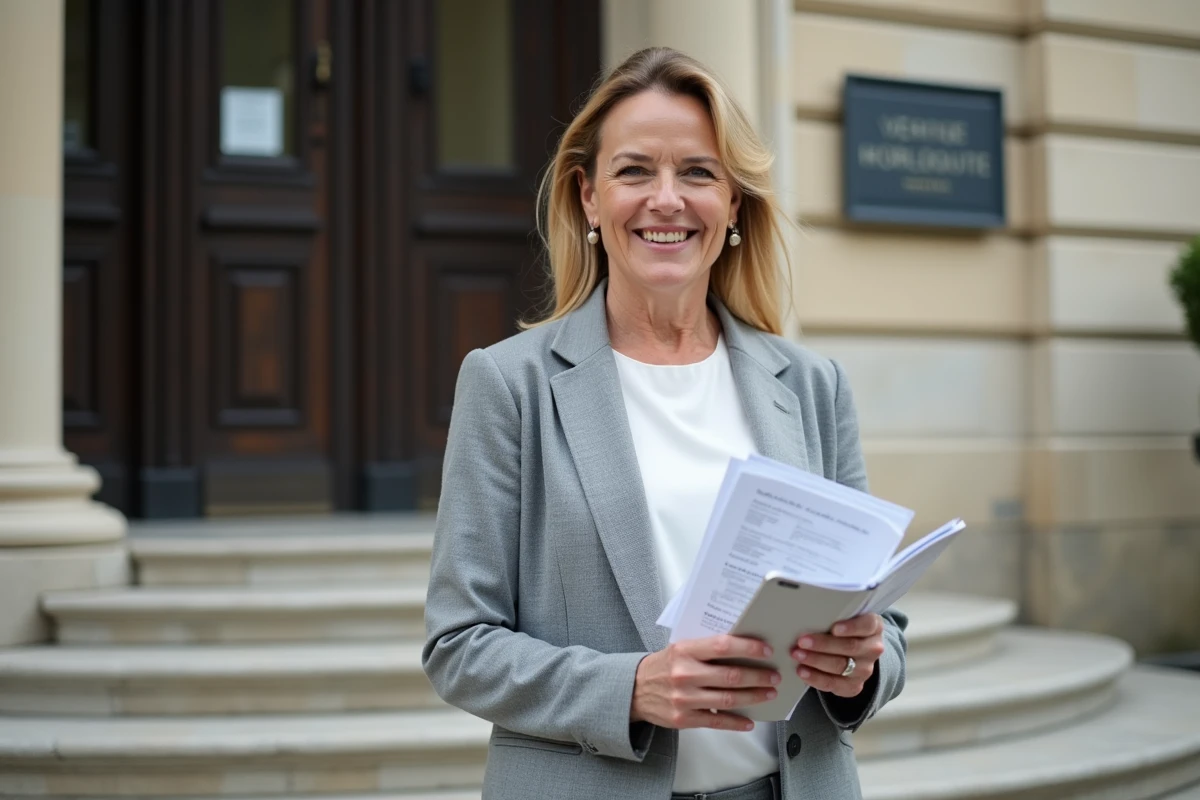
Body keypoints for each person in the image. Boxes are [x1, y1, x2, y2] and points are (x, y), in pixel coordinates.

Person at [422, 47, 906, 800]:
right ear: (589, 197)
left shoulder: (811, 384)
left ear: (734, 204)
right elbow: (459, 645)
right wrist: (631, 688)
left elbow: (884, 625)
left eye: (698, 173)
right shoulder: (509, 384)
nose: (667, 199)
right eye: (636, 170)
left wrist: (862, 665)